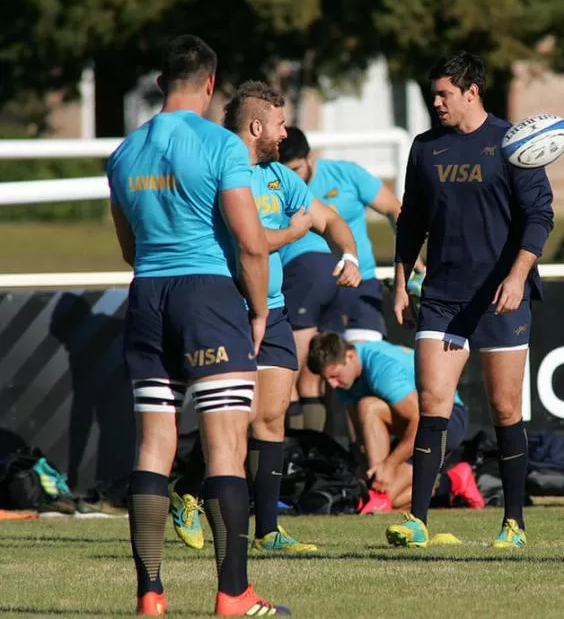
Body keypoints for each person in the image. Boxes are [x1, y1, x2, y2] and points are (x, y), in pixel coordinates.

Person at [106, 36, 287, 616]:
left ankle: (150, 595)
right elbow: (252, 243)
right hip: (207, 296)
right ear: (211, 85)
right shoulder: (222, 145)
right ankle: (234, 593)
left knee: (154, 446)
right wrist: (258, 311)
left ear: (161, 84)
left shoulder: (124, 153)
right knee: (225, 448)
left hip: (148, 297)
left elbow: (130, 249)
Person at [166, 80, 362, 555]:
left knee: (271, 417)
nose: (285, 131)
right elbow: (249, 244)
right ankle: (187, 491)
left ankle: (268, 530)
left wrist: (349, 254)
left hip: (272, 310)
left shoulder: (279, 176)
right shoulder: (221, 171)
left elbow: (329, 220)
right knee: (240, 416)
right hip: (226, 307)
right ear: (256, 127)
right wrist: (292, 231)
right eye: (278, 123)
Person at [386, 51, 554, 549]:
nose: (435, 102)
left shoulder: (512, 143)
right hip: (442, 296)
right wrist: (400, 282)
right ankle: (417, 519)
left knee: (505, 409)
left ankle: (514, 524)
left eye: (443, 94)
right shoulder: (424, 148)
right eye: (433, 93)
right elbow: (410, 221)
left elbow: (540, 216)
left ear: (471, 92)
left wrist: (519, 276)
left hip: (501, 295)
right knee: (432, 404)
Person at [277, 127, 424, 433]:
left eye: (296, 170)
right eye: (285, 170)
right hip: (304, 283)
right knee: (306, 373)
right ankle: (310, 461)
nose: (291, 176)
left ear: (310, 158)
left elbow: (395, 208)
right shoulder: (276, 185)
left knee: (358, 370)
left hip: (359, 282)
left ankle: (362, 463)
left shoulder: (345, 174)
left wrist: (411, 257)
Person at [306, 332, 484, 513]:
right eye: (327, 379)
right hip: (415, 425)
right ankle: (451, 481)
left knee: (369, 407)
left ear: (350, 356)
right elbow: (361, 435)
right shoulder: (344, 381)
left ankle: (444, 483)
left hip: (444, 421)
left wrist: (389, 466)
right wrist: (368, 472)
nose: (332, 385)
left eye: (335, 376)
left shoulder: (382, 368)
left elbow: (421, 422)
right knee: (387, 500)